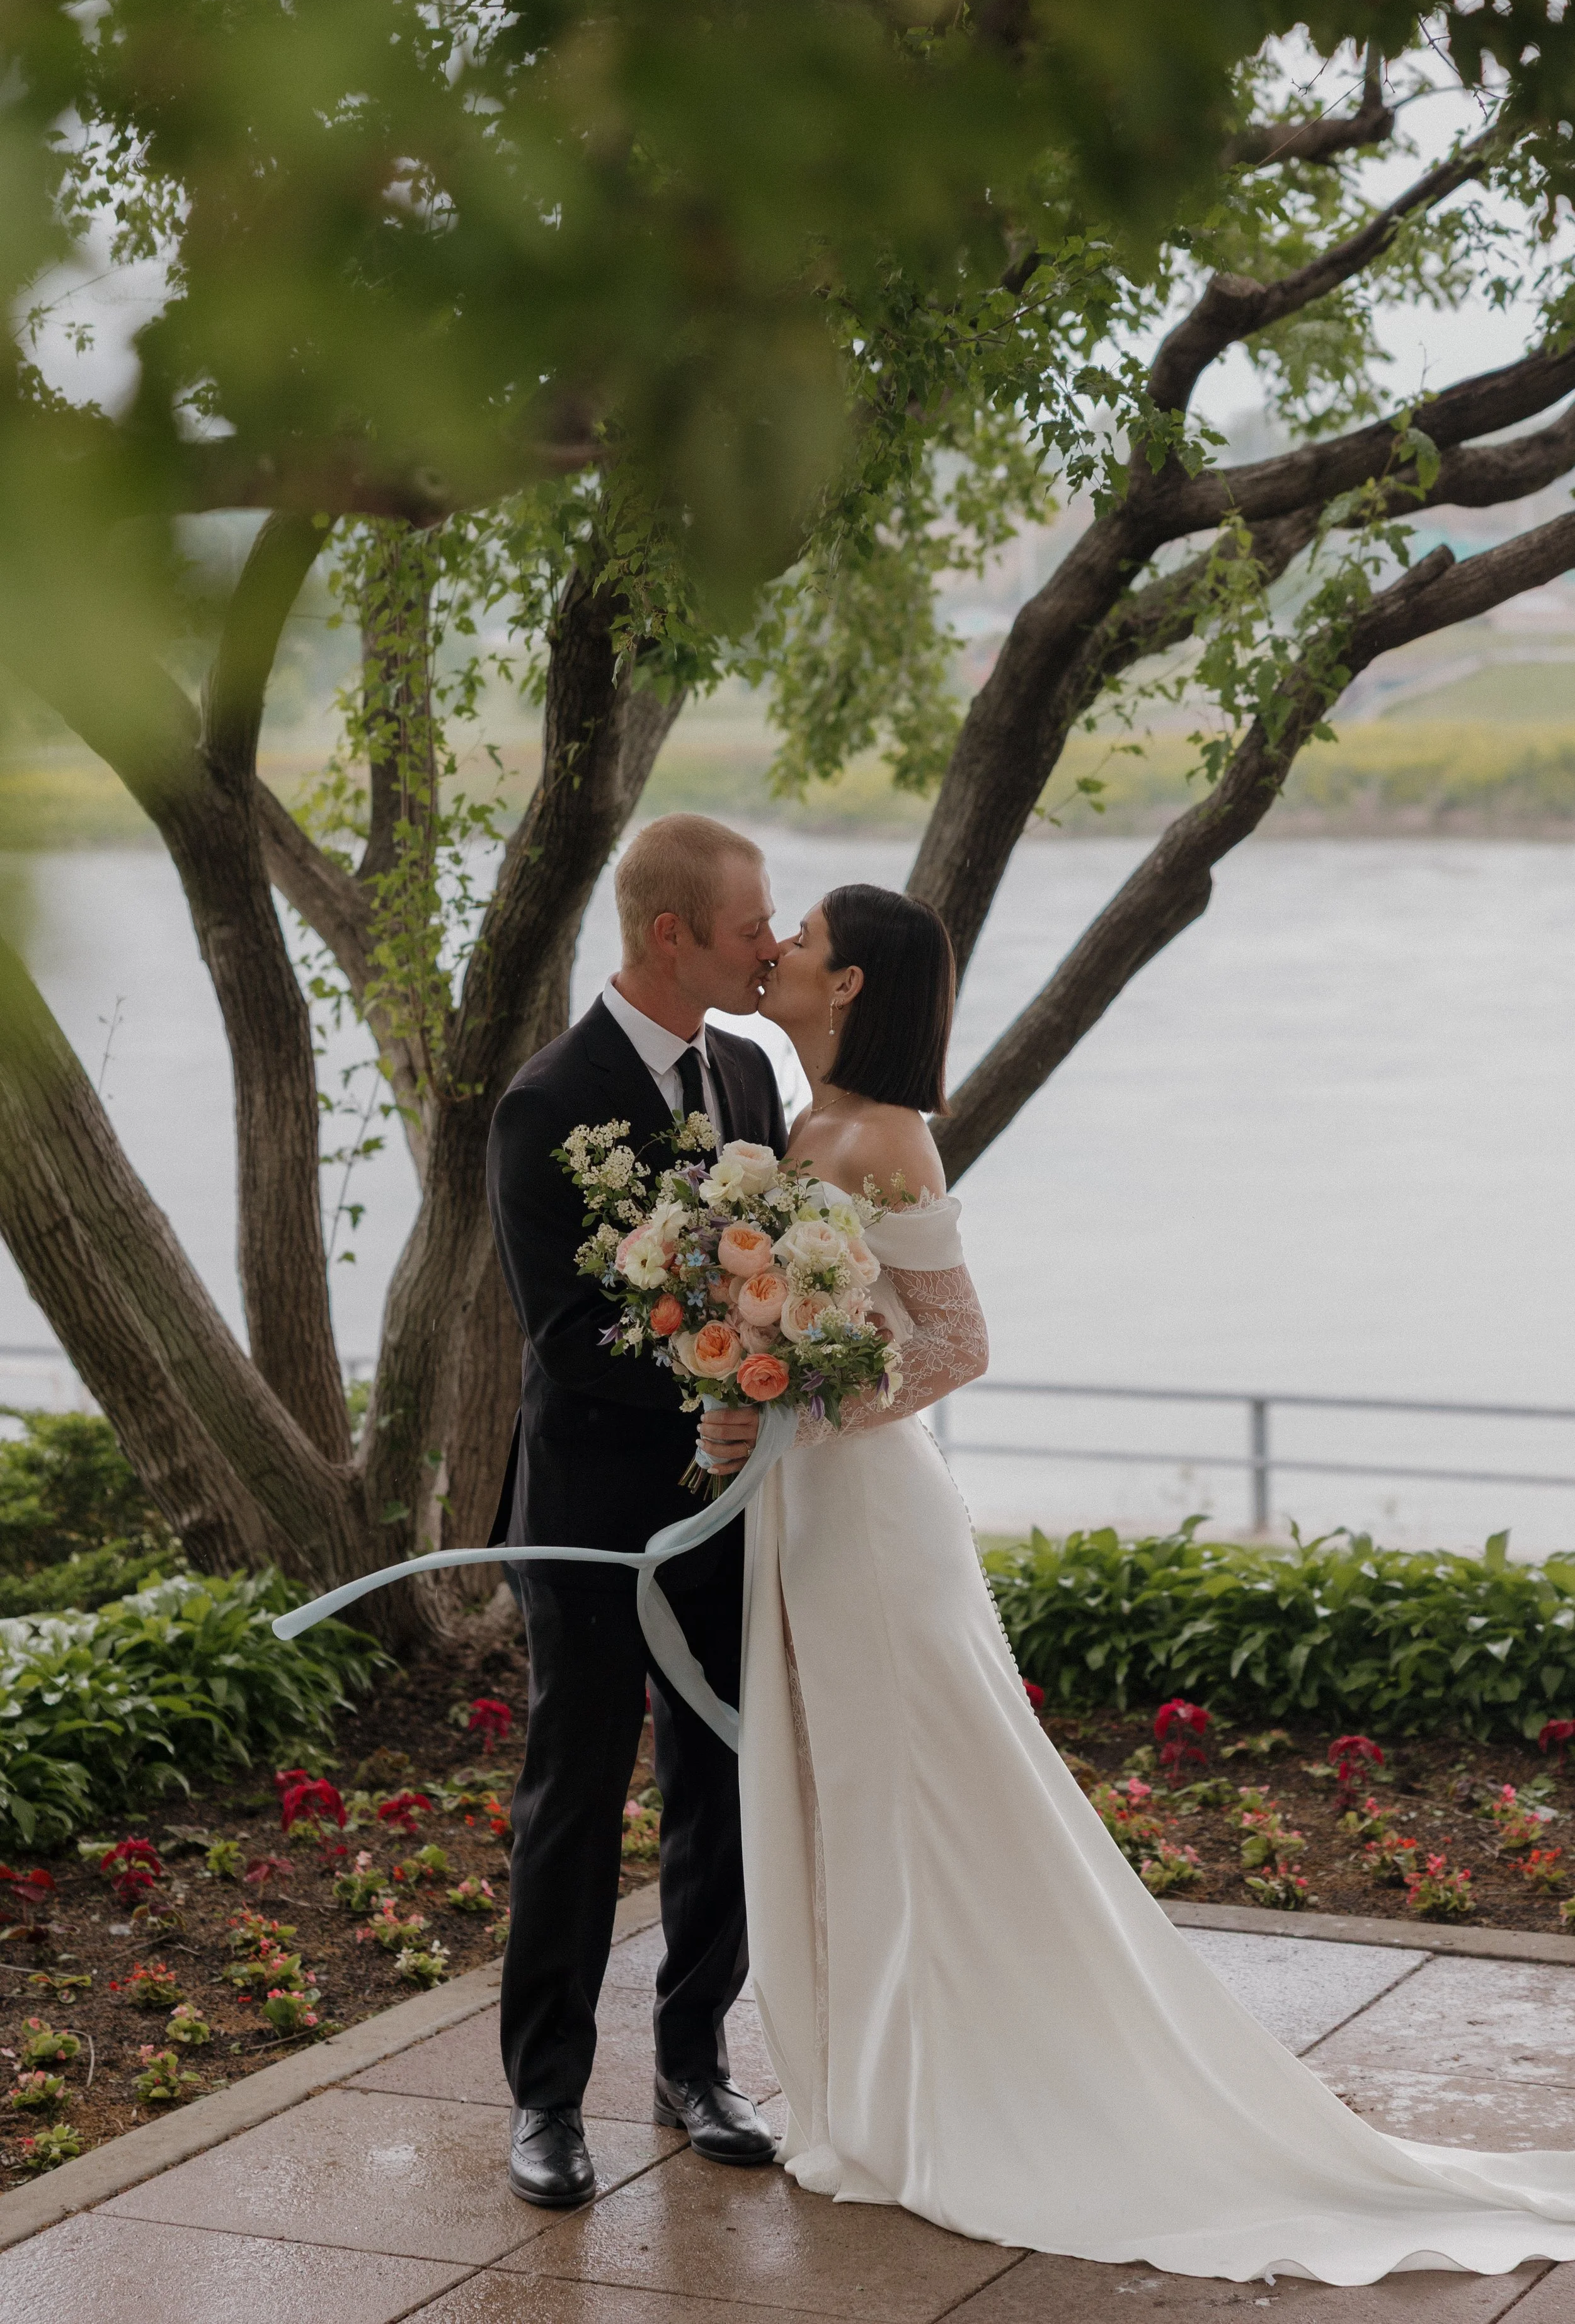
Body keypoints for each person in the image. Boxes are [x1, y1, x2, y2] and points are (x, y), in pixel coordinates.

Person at [715, 877, 1575, 2284]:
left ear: (854, 981)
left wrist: (805, 1397)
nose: (783, 951)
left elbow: (956, 1344)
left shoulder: (882, 1140)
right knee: (844, 1801)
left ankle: (945, 2107)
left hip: (872, 1518)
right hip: (802, 1508)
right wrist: (745, 1383)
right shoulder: (799, 1122)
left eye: (802, 938)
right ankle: (871, 2096)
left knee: (914, 1800)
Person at [485, 812, 788, 2208]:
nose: (768, 946)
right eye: (747, 927)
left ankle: (693, 2059)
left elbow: (776, 1269)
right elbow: (561, 1334)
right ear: (670, 934)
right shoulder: (547, 1101)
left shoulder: (748, 1069)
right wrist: (712, 1385)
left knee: (717, 1780)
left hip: (731, 1512)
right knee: (577, 1791)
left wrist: (768, 1389)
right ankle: (544, 2099)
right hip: (594, 1514)